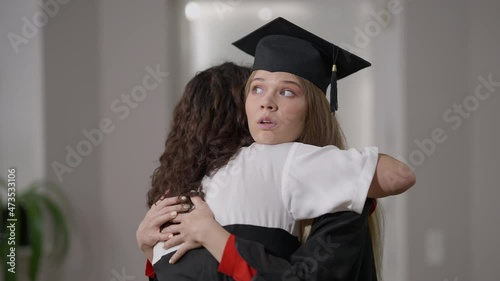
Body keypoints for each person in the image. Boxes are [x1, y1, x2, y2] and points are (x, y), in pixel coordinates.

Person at [138, 17, 415, 281]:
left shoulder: (342, 205)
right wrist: (153, 250)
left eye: (286, 92)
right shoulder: (236, 180)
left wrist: (213, 236)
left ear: (313, 111)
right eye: (257, 89)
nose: (266, 103)